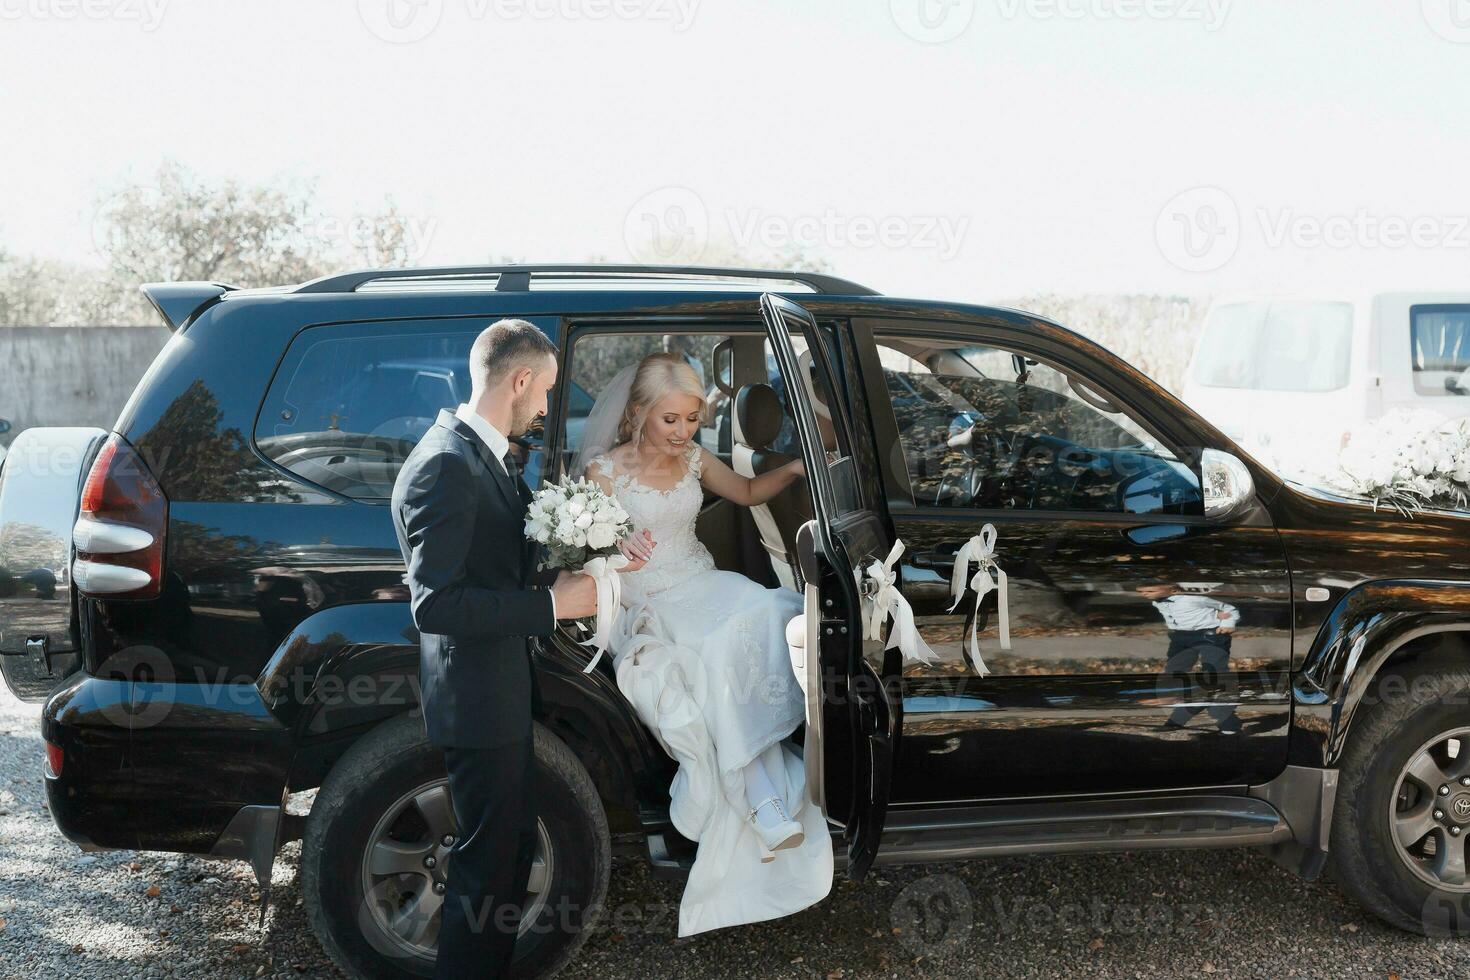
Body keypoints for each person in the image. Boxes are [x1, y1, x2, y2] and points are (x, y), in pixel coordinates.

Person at [574, 351, 835, 938]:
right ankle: (764, 799)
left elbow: (744, 492)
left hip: (703, 581)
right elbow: (585, 555)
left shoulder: (694, 457)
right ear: (638, 413)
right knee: (714, 653)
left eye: (692, 419)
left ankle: (763, 797)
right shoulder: (603, 472)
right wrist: (618, 553)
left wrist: (794, 470)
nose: (683, 432)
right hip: (648, 600)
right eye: (671, 420)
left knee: (771, 609)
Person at [390, 319, 610, 979]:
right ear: (518, 381)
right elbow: (435, 604)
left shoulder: (483, 450)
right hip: (476, 700)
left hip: (501, 691)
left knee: (511, 855)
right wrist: (552, 607)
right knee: (485, 871)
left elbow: (505, 558)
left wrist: (598, 544)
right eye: (544, 391)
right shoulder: (446, 464)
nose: (546, 408)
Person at [1137, 582, 1242, 735]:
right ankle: (1177, 713)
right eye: (1142, 591)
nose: (1145, 594)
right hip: (1181, 637)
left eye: (1151, 589)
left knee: (1213, 677)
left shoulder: (1192, 599)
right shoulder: (1156, 602)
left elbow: (1228, 609)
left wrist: (1228, 622)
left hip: (1210, 635)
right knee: (1175, 673)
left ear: (1173, 590)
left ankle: (1229, 726)